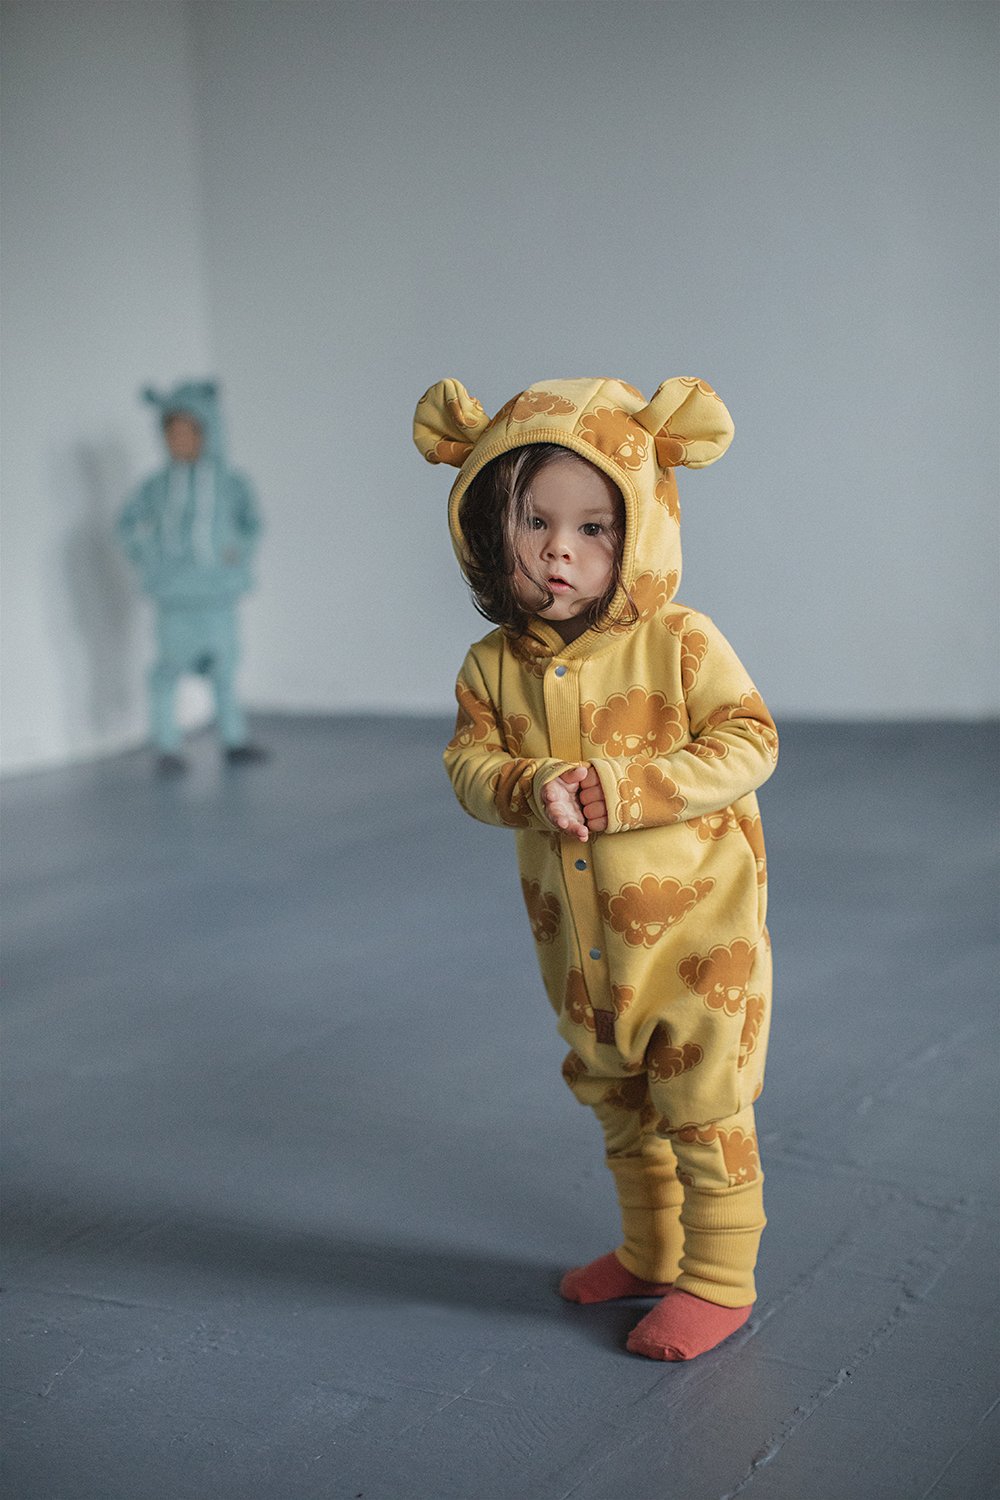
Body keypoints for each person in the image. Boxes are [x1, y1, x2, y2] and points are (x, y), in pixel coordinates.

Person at [414, 376, 778, 1361]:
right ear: (493, 523)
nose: (559, 550)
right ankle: (650, 1250)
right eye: (535, 519)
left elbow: (750, 743)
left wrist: (632, 790)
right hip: (578, 946)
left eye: (594, 527)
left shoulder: (679, 642)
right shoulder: (492, 666)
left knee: (700, 1105)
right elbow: (467, 765)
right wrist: (526, 787)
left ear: (644, 530)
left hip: (699, 939)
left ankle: (719, 1279)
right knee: (616, 1095)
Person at [117, 381, 267, 773]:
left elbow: (252, 524)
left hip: (217, 593)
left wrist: (238, 553)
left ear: (207, 432)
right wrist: (150, 557)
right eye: (171, 433)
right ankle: (167, 745)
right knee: (168, 668)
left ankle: (233, 739)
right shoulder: (156, 487)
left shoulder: (228, 483)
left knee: (225, 666)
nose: (178, 441)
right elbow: (127, 525)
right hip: (175, 596)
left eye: (187, 432)